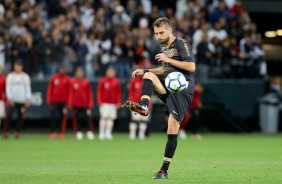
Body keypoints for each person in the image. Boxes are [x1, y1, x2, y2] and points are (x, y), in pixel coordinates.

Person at [124, 17, 196, 179]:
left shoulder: (181, 43)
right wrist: (144, 70)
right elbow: (165, 70)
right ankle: (143, 106)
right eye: (156, 33)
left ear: (170, 30)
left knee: (172, 128)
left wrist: (168, 60)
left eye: (161, 32)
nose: (159, 36)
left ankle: (164, 170)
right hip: (171, 87)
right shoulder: (165, 48)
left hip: (183, 90)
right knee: (149, 75)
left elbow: (191, 66)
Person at [4, 61, 31, 138]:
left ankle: (18, 132)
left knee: (20, 117)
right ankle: (6, 132)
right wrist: (9, 98)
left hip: (22, 100)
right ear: (14, 67)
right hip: (12, 100)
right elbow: (8, 88)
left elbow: (28, 88)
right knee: (8, 116)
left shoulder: (25, 76)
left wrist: (27, 99)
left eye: (19, 66)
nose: (17, 68)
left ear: (22, 67)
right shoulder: (10, 76)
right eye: (16, 66)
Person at [68, 67, 94, 140]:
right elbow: (71, 93)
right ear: (76, 73)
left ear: (83, 73)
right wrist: (70, 103)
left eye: (80, 72)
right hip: (76, 104)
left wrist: (90, 103)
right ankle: (78, 132)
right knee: (77, 119)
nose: (79, 73)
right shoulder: (73, 82)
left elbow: (89, 93)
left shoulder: (86, 82)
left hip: (85, 104)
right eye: (78, 72)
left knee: (88, 118)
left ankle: (89, 132)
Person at [97, 66, 121, 140]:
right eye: (109, 71)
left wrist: (118, 102)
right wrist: (100, 101)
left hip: (113, 103)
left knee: (111, 118)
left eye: (112, 72)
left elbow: (118, 93)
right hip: (104, 103)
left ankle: (108, 133)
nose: (110, 73)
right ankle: (101, 133)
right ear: (106, 72)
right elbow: (99, 92)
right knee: (103, 118)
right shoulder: (102, 80)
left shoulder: (116, 81)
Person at [46, 66, 70, 139]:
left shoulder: (67, 79)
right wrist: (49, 100)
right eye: (61, 69)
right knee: (53, 117)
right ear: (58, 70)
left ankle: (61, 133)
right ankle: (52, 132)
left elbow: (69, 92)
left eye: (63, 69)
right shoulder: (54, 78)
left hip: (63, 102)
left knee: (62, 118)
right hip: (55, 101)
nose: (62, 71)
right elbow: (50, 89)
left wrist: (68, 103)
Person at [0, 66, 6, 136]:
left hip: (0, 100)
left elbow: (6, 90)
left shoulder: (3, 78)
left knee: (1, 117)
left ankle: (4, 132)